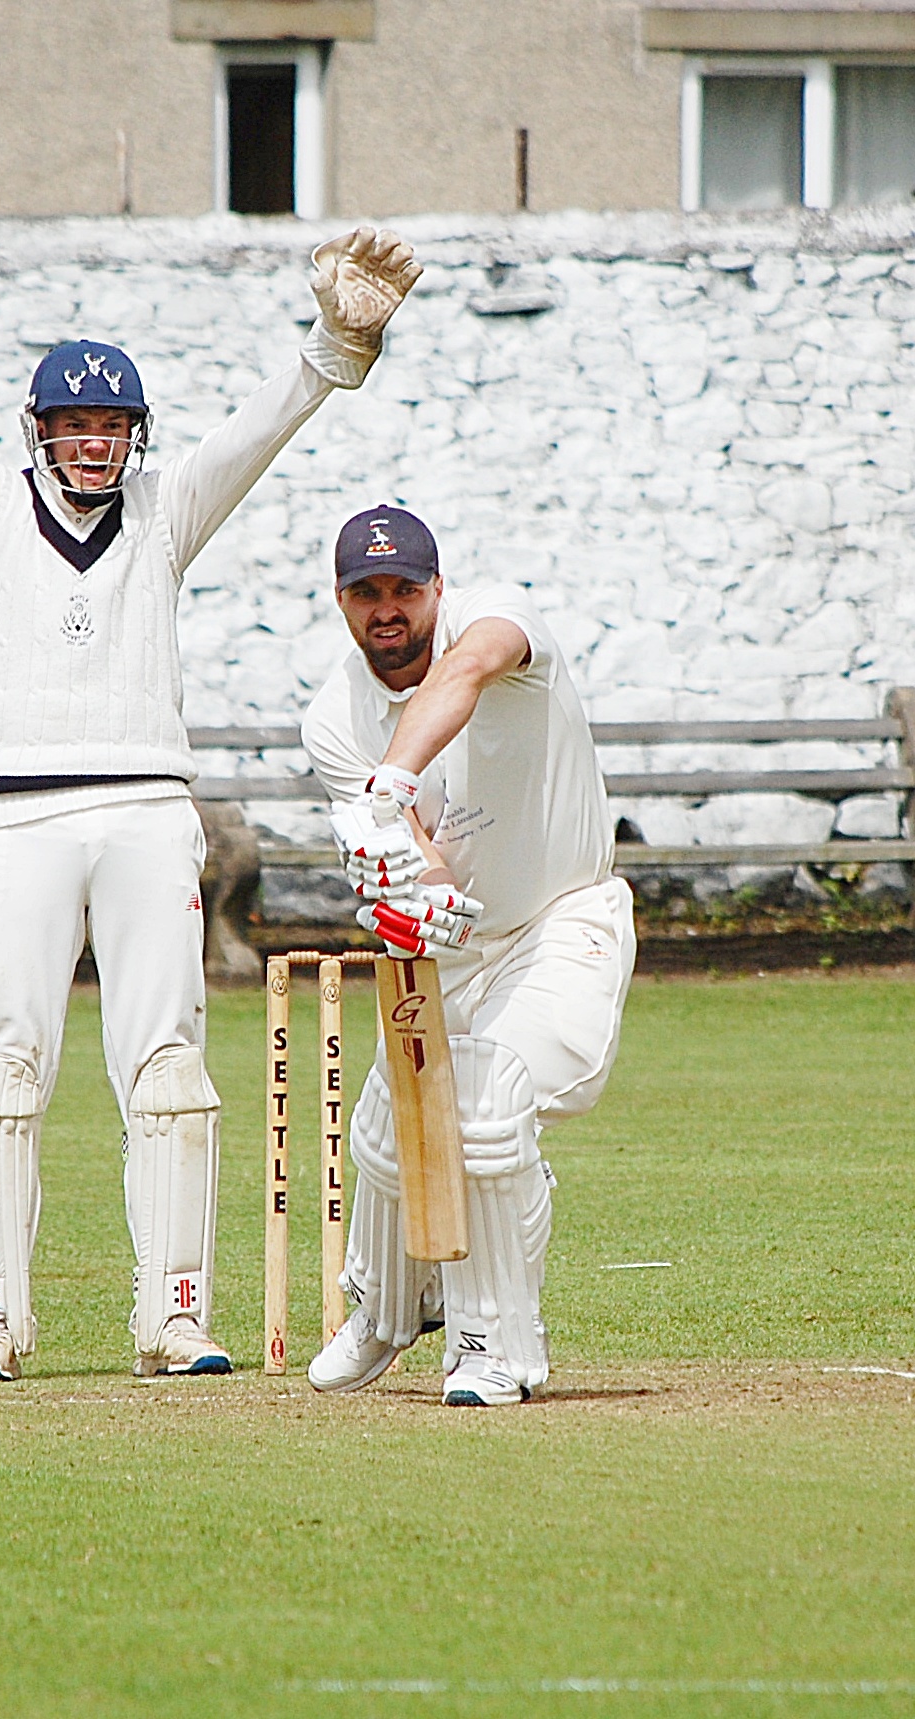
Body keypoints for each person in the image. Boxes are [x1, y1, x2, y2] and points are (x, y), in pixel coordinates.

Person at [0, 212, 421, 1384]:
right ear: (38, 433)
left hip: (151, 811)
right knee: (2, 1070)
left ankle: (175, 1318)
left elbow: (252, 439)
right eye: (73, 424)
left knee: (169, 1069)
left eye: (110, 425)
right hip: (13, 818)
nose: (93, 445)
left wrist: (328, 347)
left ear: (131, 436)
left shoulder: (163, 513)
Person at [297, 505, 637, 1407]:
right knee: (383, 1118)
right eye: (366, 593)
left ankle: (496, 1344)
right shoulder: (334, 717)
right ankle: (383, 1311)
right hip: (464, 940)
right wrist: (426, 888)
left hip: (565, 919)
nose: (388, 610)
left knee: (485, 1101)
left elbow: (473, 664)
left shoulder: (497, 624)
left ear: (438, 589)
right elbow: (419, 848)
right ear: (340, 600)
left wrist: (393, 775)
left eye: (405, 590)